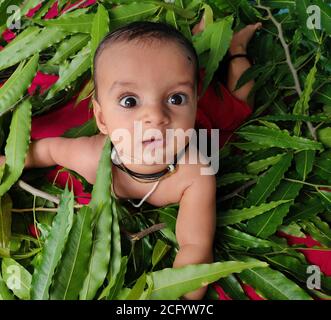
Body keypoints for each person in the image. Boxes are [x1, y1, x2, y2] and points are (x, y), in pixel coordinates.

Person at [0, 19, 260, 300]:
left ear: (192, 105)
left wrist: (182, 297)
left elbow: (195, 244)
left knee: (241, 101)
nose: (156, 117)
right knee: (180, 71)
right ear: (101, 119)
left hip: (207, 120)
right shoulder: (91, 156)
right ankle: (200, 47)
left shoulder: (196, 174)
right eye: (129, 101)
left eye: (176, 99)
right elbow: (46, 150)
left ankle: (235, 48)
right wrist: (9, 163)